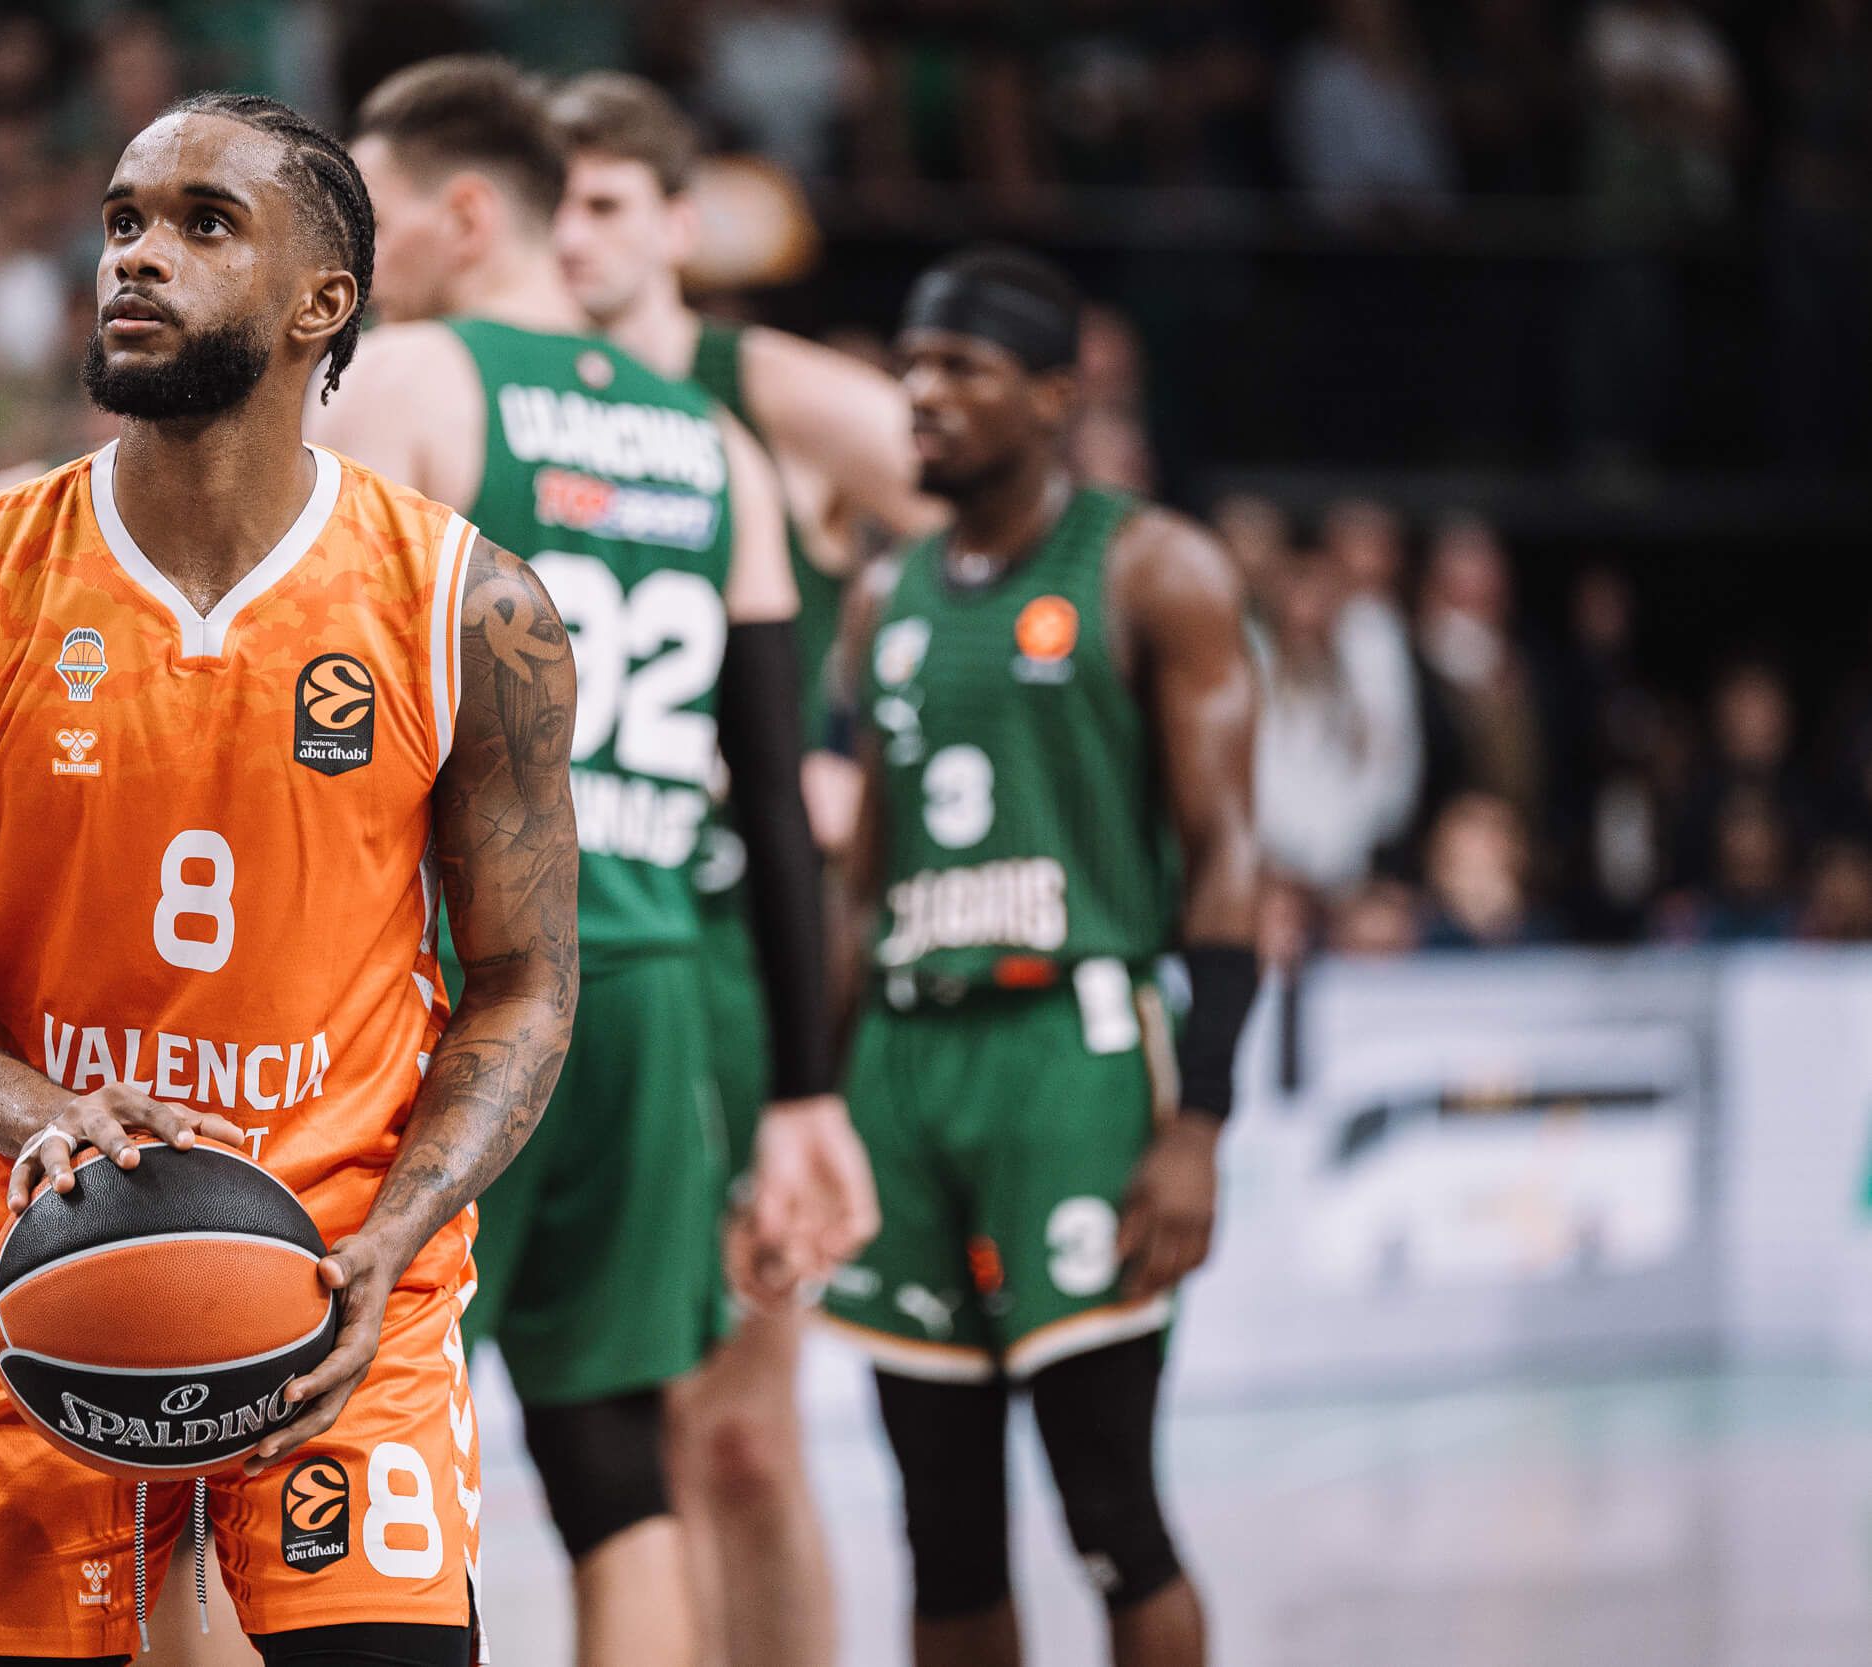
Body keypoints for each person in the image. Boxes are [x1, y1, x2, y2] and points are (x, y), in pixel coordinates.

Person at [0, 90, 581, 1667]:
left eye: (202, 223)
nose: (137, 258)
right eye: (123, 221)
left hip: (346, 1290)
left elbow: (526, 984)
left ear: (322, 304)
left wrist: (398, 1230)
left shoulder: (468, 612)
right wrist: (38, 1117)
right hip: (50, 1279)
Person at [308, 56, 877, 1667]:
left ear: (467, 213)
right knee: (619, 1464)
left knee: (344, 1446)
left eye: (376, 211)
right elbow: (768, 797)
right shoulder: (717, 445)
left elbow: (315, 705)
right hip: (645, 991)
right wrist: (804, 1089)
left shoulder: (414, 382)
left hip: (443, 1000)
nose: (356, 255)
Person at [542, 69, 936, 1667]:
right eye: (555, 200)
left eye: (610, 203)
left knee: (743, 1434)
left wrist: (884, 751)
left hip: (737, 943)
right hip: (570, 940)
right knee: (630, 1433)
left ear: (679, 225)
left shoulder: (779, 395)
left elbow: (1025, 531)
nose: (577, 235)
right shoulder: (492, 386)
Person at [833, 247, 1259, 1667]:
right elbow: (858, 888)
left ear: (1056, 395)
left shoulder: (1157, 567)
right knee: (939, 1529)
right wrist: (806, 1100)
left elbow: (1228, 863)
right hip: (904, 1058)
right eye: (911, 365)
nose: (922, 394)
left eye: (962, 368)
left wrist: (1198, 1119)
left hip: (1073, 1058)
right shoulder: (880, 600)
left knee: (1109, 1510)